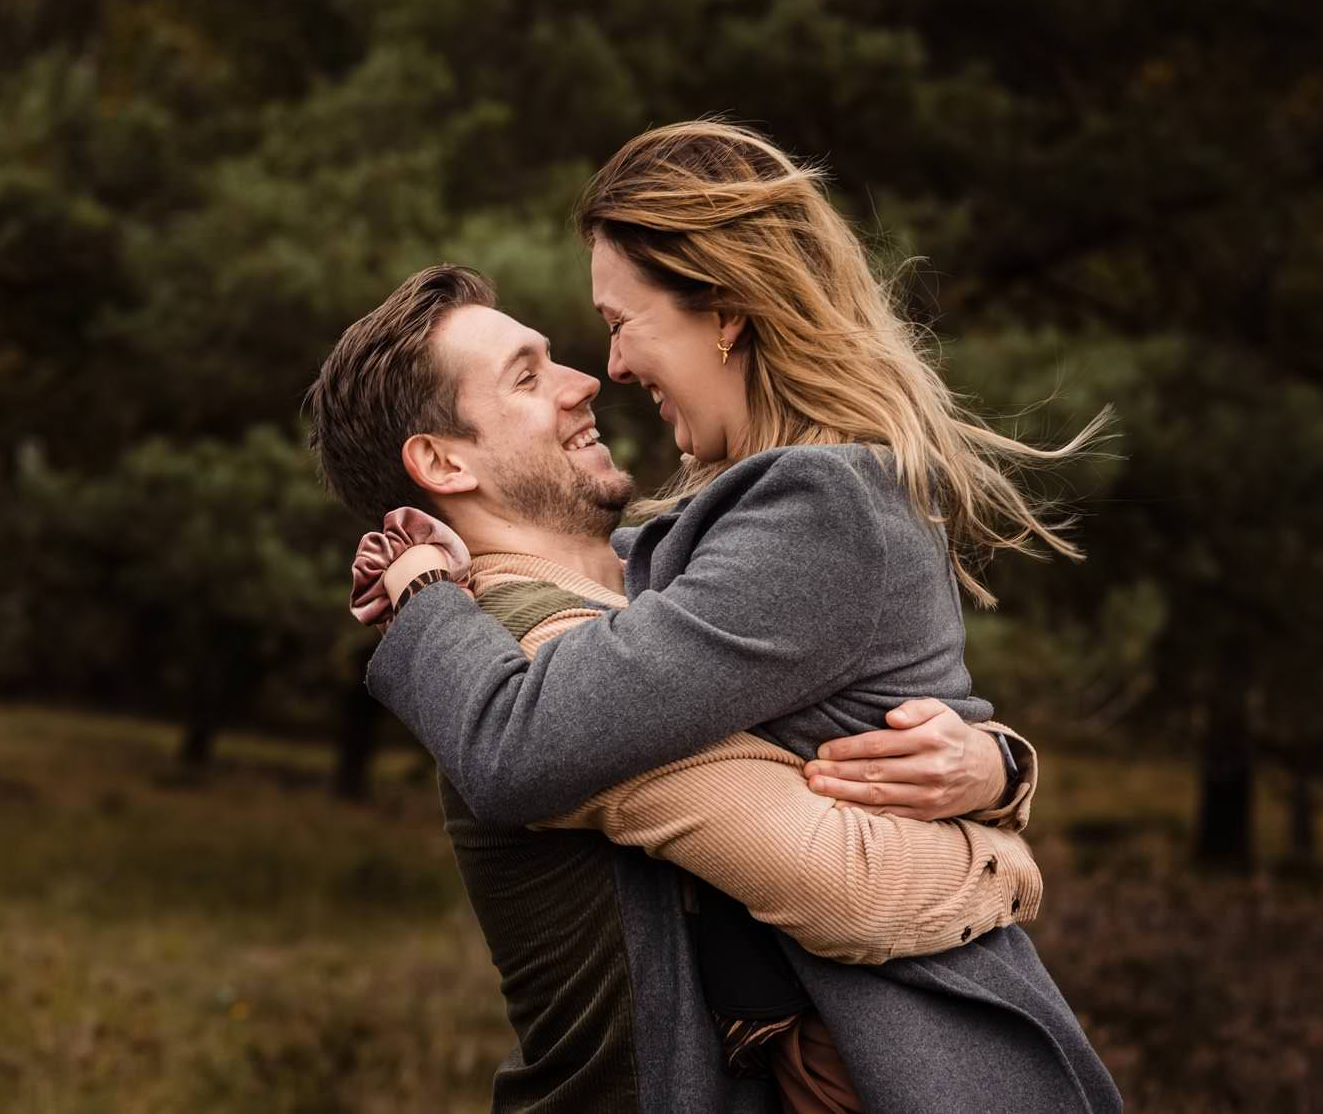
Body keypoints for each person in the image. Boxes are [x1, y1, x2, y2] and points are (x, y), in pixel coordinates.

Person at [336, 120, 1120, 1111]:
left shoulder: (768, 523)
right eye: (532, 376)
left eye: (618, 324)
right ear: (445, 464)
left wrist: (999, 767)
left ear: (724, 315)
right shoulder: (548, 618)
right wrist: (1005, 855)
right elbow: (523, 742)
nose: (603, 371)